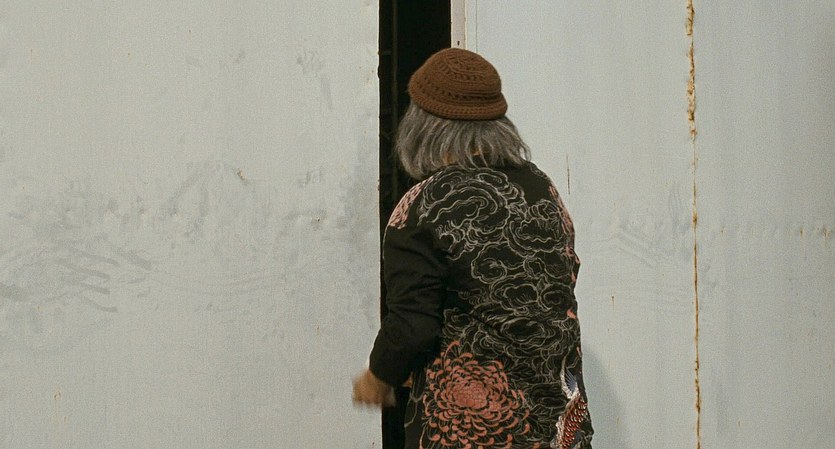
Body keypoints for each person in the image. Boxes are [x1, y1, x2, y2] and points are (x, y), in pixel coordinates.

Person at [353, 48, 593, 449]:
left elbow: (412, 325)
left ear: (422, 125)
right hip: (557, 427)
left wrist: (377, 377)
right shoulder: (542, 189)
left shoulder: (422, 207)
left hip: (474, 433)